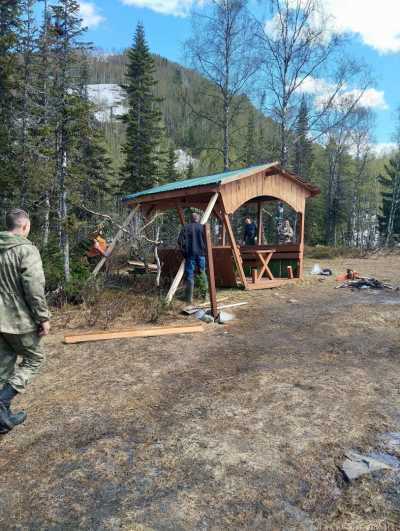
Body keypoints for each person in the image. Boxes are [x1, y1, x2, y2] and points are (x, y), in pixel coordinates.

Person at [0, 209, 50, 434]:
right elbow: (34, 287)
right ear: (24, 226)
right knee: (35, 359)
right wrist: (42, 317)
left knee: (3, 366)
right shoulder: (26, 250)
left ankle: (3, 419)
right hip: (16, 319)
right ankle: (2, 402)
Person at [178, 212, 207, 304]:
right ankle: (204, 296)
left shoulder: (186, 227)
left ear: (191, 219)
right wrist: (204, 249)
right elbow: (208, 241)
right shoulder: (202, 228)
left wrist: (184, 253)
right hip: (201, 253)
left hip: (190, 254)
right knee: (202, 272)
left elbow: (180, 241)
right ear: (198, 219)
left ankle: (189, 298)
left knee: (190, 274)